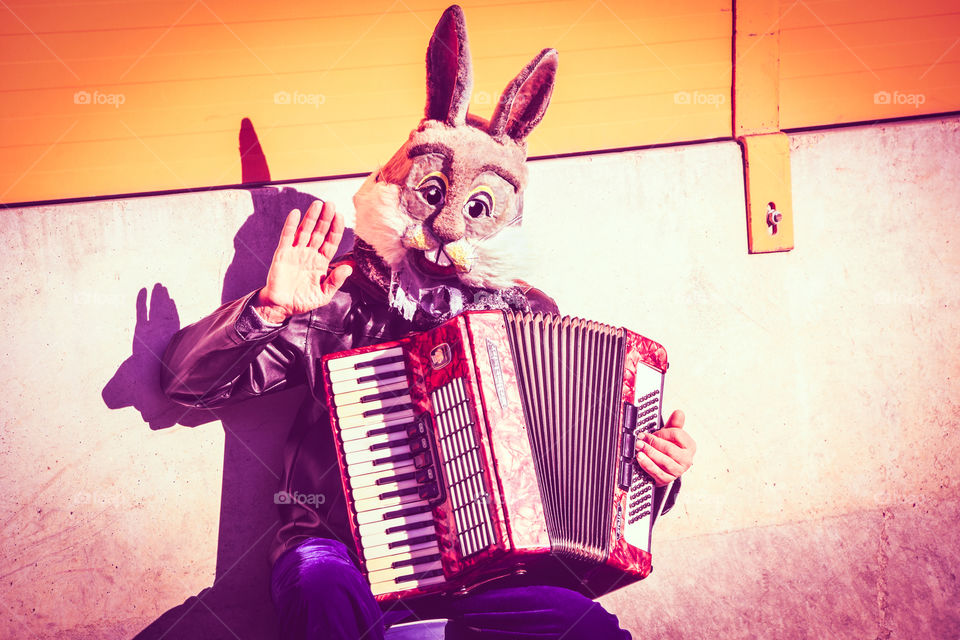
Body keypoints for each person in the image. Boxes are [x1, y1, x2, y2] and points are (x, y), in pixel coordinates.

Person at [161, 6, 695, 639]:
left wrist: (654, 468)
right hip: (346, 556)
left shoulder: (531, 316)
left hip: (498, 575)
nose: (447, 229)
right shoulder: (342, 304)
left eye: (474, 207)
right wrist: (268, 311)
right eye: (436, 194)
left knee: (582, 626)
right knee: (317, 585)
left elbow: (589, 476)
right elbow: (184, 385)